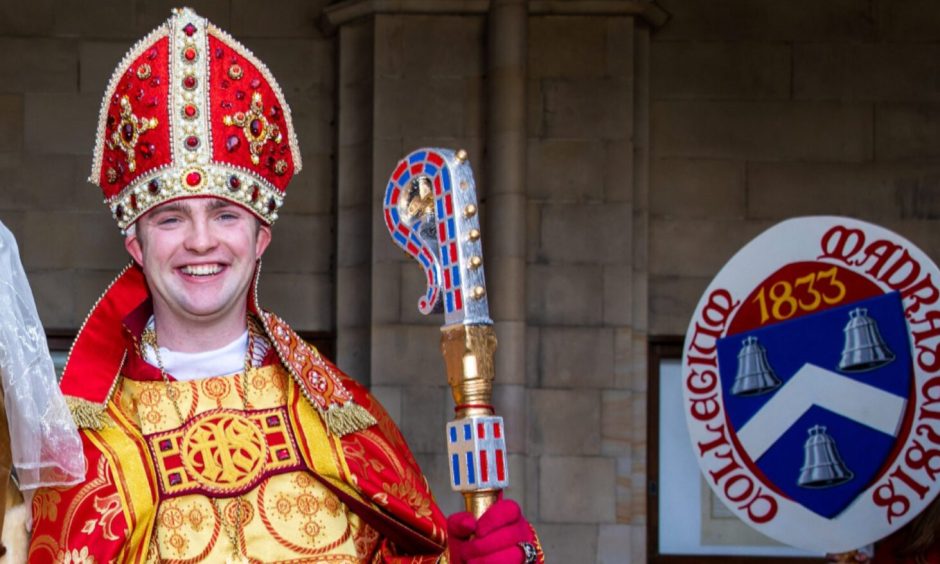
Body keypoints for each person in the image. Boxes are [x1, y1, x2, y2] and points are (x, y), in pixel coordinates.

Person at [25, 8, 541, 563]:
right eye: (171, 219)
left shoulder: (340, 418)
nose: (201, 241)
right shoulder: (79, 446)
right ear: (137, 246)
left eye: (225, 215)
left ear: (260, 236)